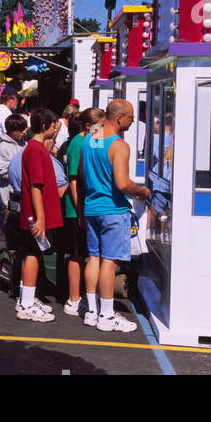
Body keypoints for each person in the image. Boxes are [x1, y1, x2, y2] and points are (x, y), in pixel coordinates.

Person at [81, 100, 151, 332]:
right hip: (112, 209)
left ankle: (92, 311)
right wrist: (142, 192)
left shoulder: (92, 134)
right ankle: (107, 316)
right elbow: (122, 184)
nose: (133, 121)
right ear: (119, 118)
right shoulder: (120, 145)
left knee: (93, 258)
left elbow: (83, 170)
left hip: (91, 206)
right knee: (109, 263)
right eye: (130, 117)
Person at [14, 109, 64, 323]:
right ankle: (26, 304)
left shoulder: (36, 147)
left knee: (33, 253)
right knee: (34, 254)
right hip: (37, 214)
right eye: (53, 126)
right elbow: (36, 186)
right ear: (44, 127)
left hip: (36, 212)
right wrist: (41, 218)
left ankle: (27, 298)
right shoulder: (35, 150)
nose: (55, 129)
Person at [60, 107, 103, 317]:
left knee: (86, 253)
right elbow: (74, 180)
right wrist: (79, 212)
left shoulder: (93, 140)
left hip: (87, 206)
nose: (103, 130)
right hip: (76, 208)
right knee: (76, 254)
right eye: (101, 126)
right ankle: (73, 299)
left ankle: (82, 297)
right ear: (89, 126)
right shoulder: (78, 143)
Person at [0, 114, 28, 240]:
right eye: (21, 129)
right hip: (9, 193)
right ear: (12, 131)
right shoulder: (4, 147)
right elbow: (1, 169)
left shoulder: (24, 143)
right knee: (10, 225)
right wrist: (19, 173)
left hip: (22, 192)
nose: (24, 132)